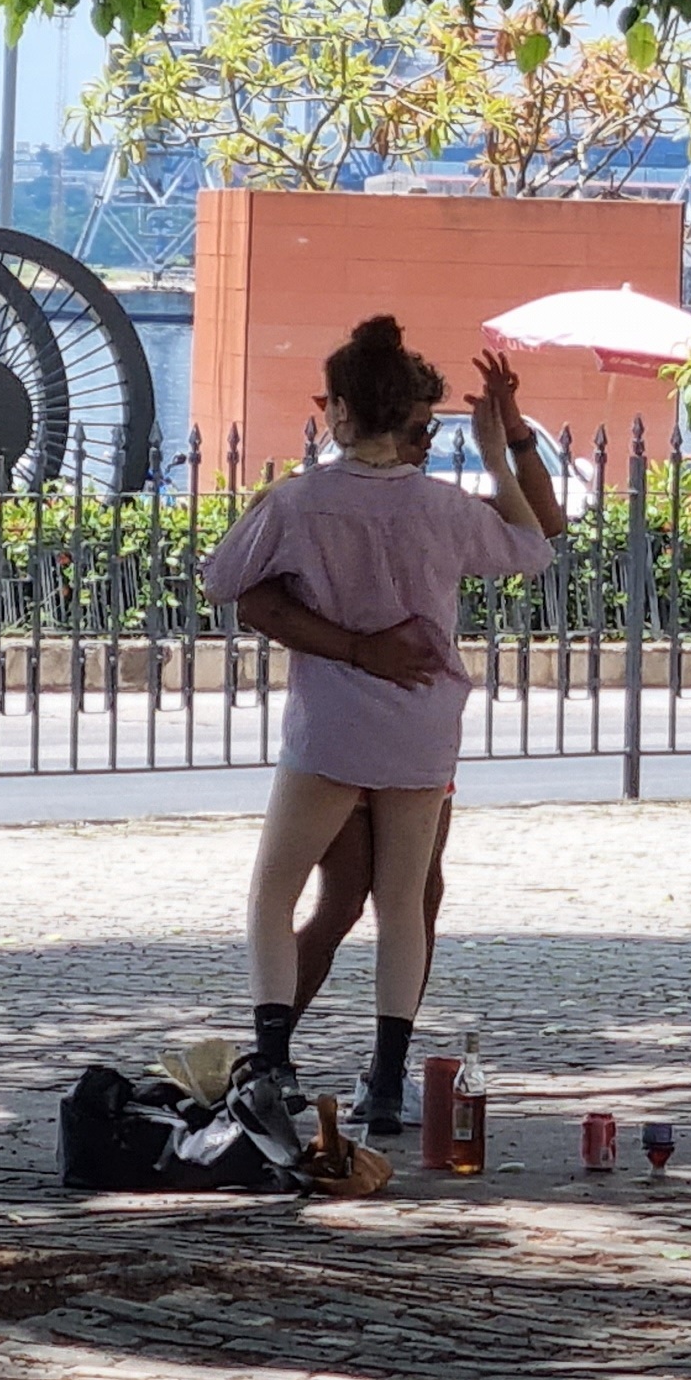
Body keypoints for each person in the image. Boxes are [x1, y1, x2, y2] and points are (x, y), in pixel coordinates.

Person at [201, 315, 571, 1135]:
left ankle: (271, 1059)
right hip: (423, 725)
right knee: (406, 901)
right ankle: (389, 1076)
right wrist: (496, 445)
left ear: (338, 413)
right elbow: (533, 547)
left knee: (274, 888)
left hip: (331, 726)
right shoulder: (441, 508)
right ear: (407, 417)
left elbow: (222, 577)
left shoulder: (300, 502)